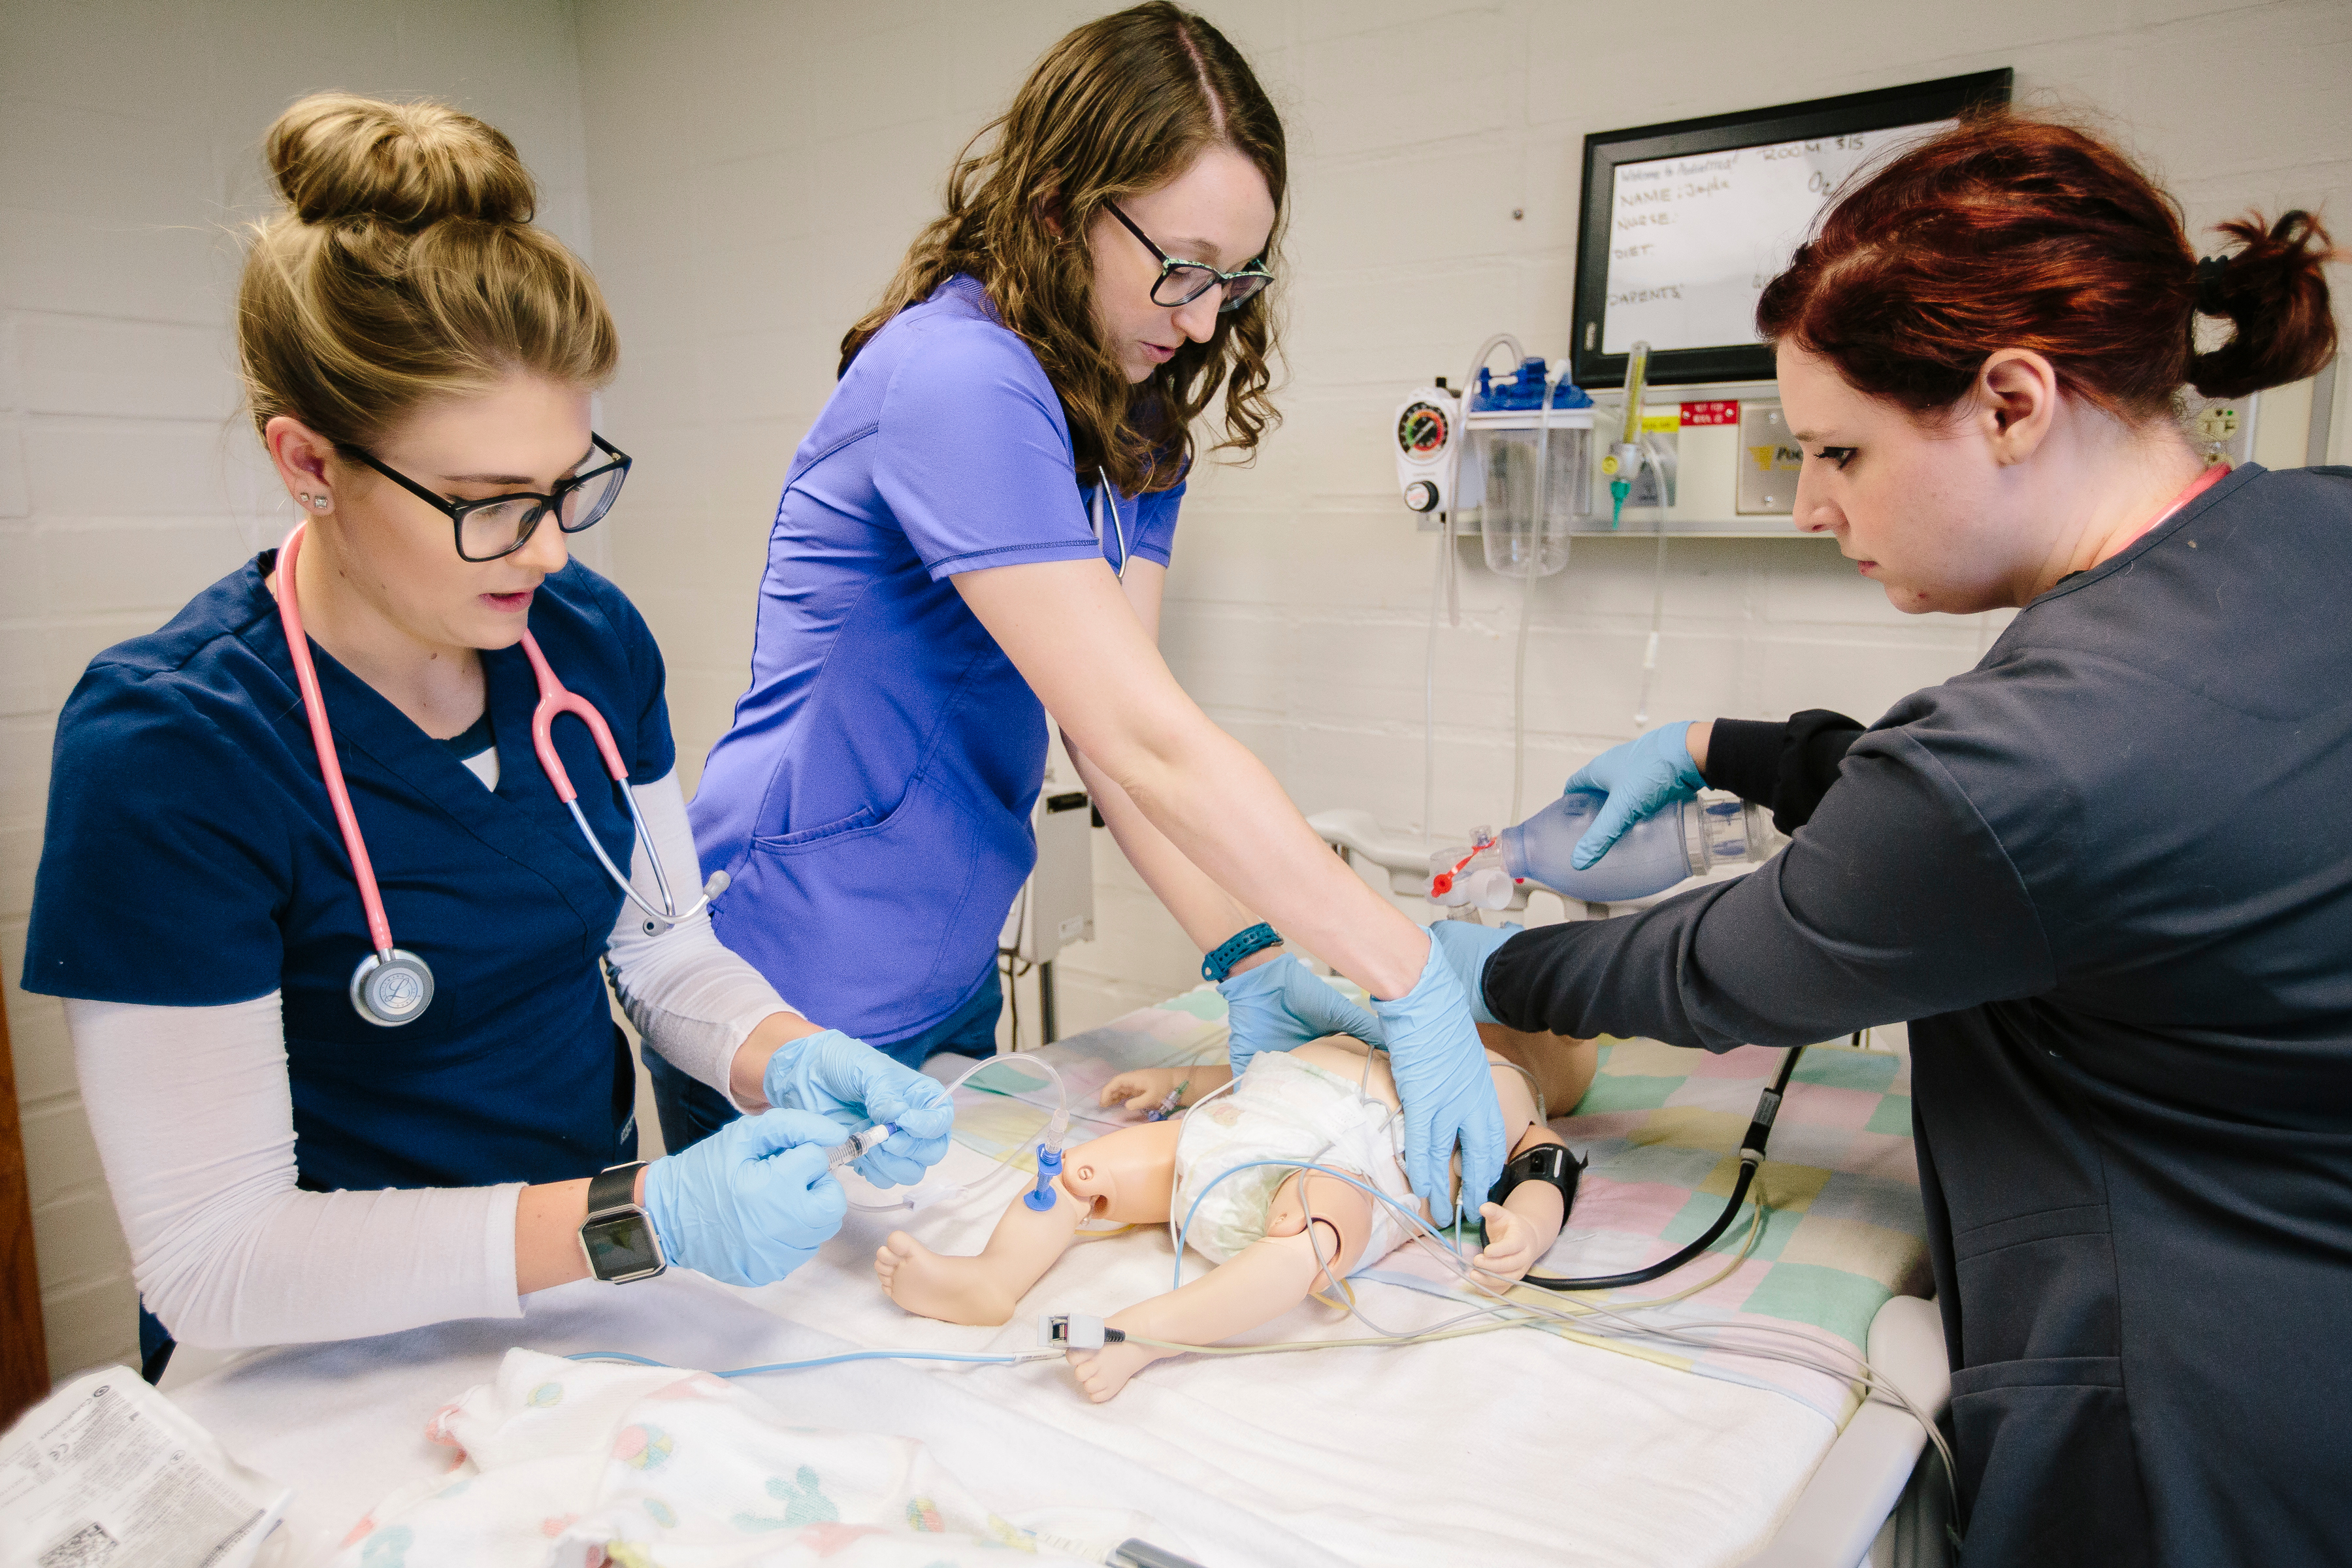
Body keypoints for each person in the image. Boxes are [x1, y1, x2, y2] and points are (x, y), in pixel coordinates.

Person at [1428, 115, 2346, 1565]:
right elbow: (2108, 837)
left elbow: (1729, 966)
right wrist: (1726, 753)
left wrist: (1481, 966)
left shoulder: (2045, 751)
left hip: (2198, 1434)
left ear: (2012, 402)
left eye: (1839, 450)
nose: (1810, 504)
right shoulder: (2303, 542)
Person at [20, 94, 952, 1375]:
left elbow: (662, 950)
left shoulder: (584, 640)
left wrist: (788, 1059)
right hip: (319, 1364)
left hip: (589, 1298)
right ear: (308, 462)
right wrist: (643, 1215)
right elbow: (213, 1259)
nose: (552, 547)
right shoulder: (173, 748)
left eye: (568, 486)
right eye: (486, 504)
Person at [682, 3, 1504, 1222]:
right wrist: (1409, 971)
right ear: (1059, 205)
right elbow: (1140, 738)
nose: (1204, 320)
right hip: (795, 973)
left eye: (1237, 279)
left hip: (945, 957)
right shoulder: (955, 377)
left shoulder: (1133, 419)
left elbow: (1114, 726)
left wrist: (1248, 954)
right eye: (1179, 267)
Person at [873, 1032, 1583, 1402]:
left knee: (1309, 1236)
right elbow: (1255, 1069)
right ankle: (992, 1278)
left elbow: (1545, 1166)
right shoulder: (1369, 1027)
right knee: (1084, 1172)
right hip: (1218, 1138)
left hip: (1339, 1174)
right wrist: (1181, 1084)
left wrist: (1527, 1227)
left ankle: (1143, 1333)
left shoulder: (1505, 1083)